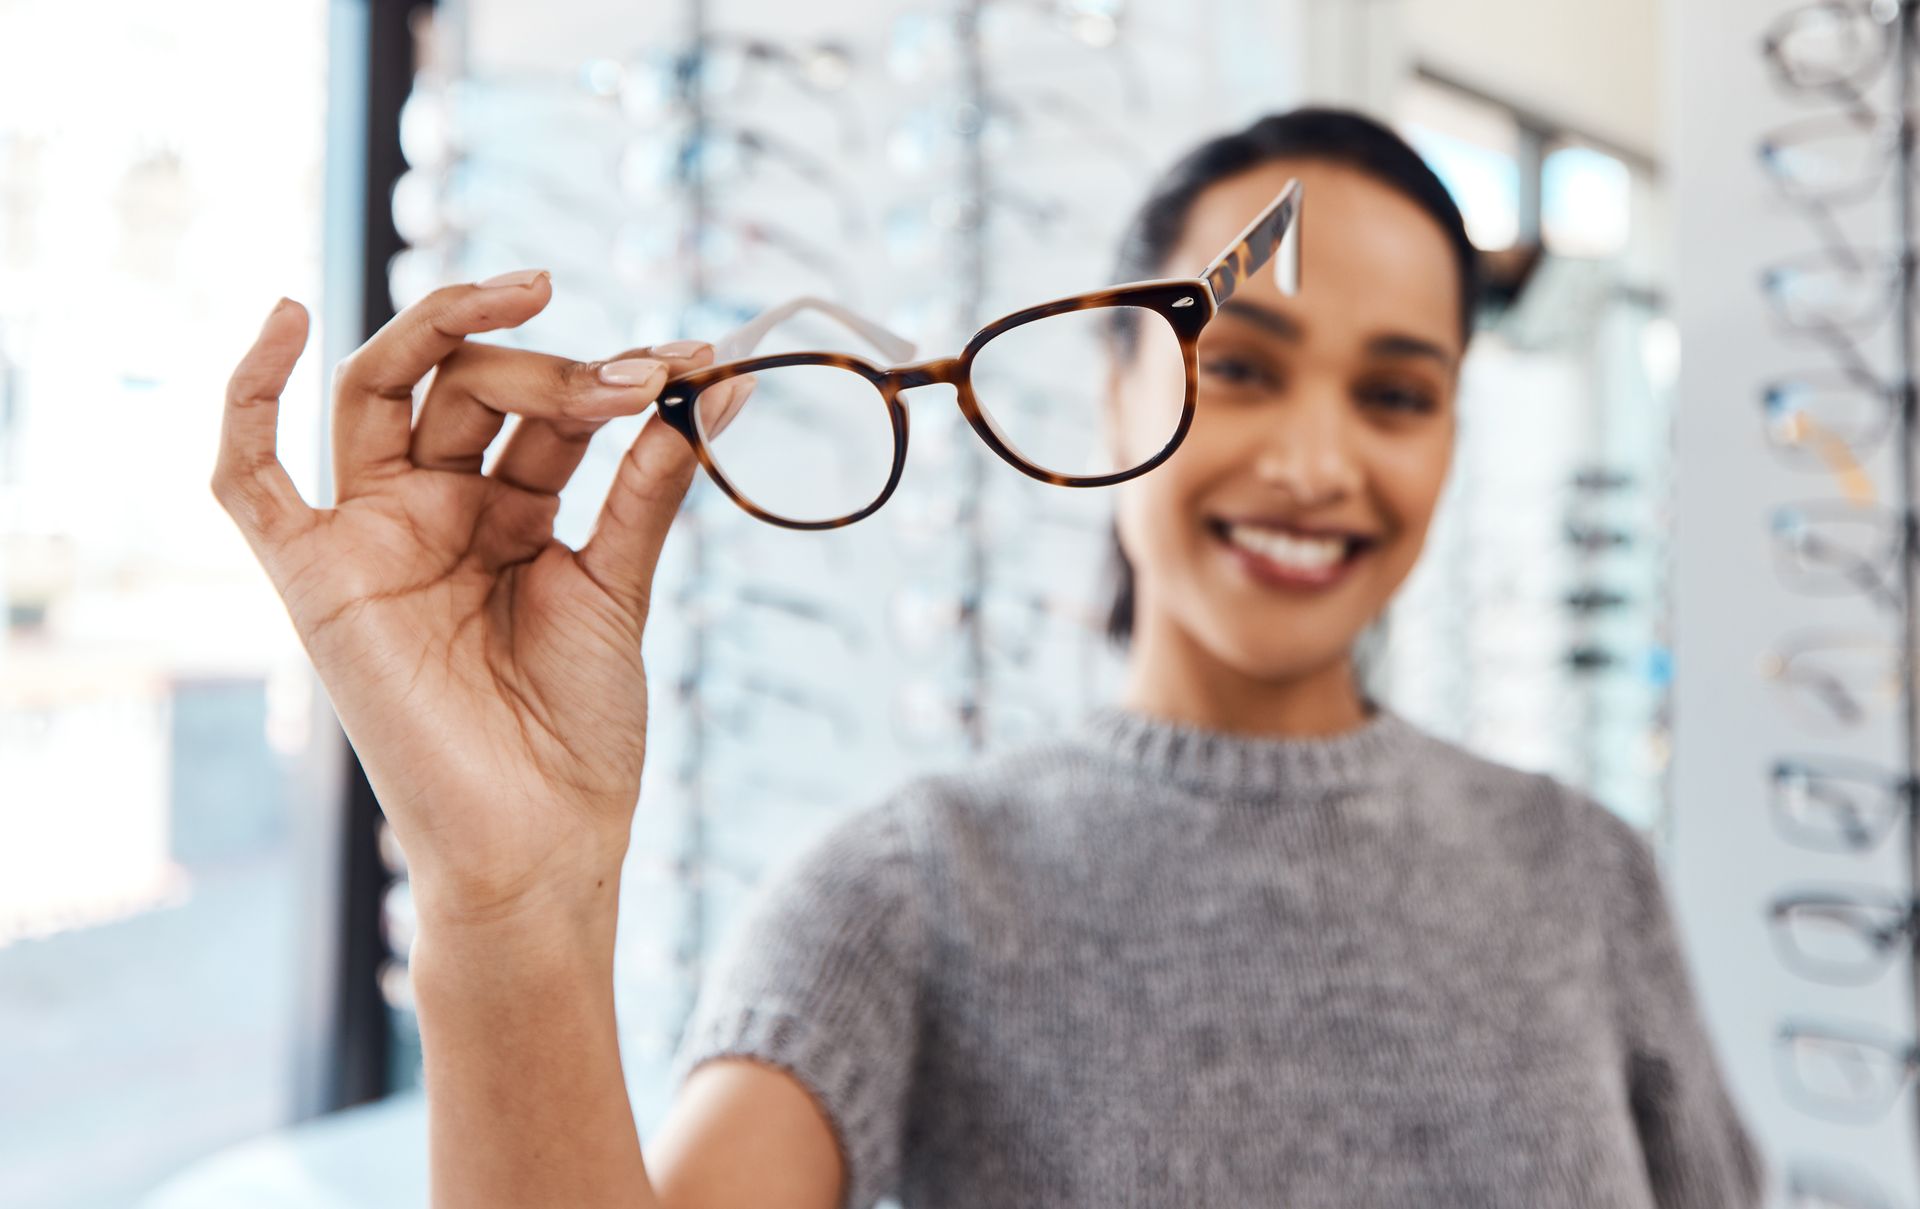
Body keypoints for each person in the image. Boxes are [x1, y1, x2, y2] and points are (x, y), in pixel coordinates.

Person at [213, 107, 1766, 1208]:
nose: (1314, 461)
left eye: (1397, 395)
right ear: (1108, 389)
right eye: (1241, 365)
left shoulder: (1584, 873)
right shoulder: (908, 894)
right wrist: (507, 905)